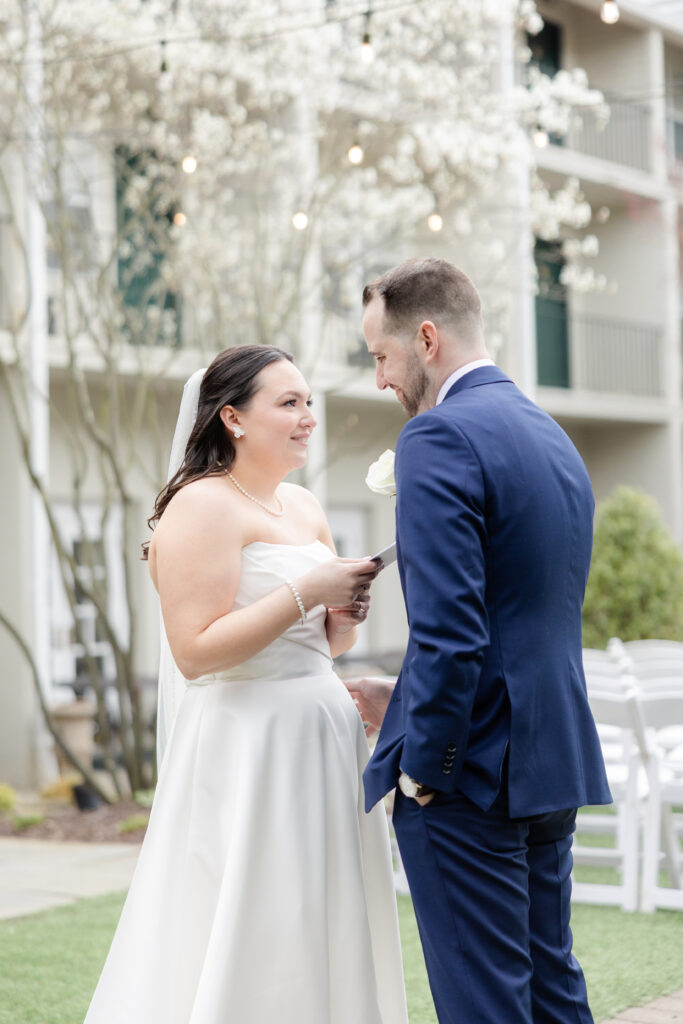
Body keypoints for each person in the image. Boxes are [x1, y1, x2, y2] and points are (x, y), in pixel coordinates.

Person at [83, 344, 409, 1024]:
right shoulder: (199, 509)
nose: (306, 418)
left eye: (308, 402)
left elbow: (323, 643)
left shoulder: (304, 506)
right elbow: (195, 653)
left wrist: (342, 613)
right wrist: (306, 589)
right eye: (287, 403)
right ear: (231, 418)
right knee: (264, 911)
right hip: (248, 743)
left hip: (321, 734)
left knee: (324, 909)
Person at [347, 258, 611, 1024]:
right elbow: (521, 613)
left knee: (483, 1004)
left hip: (469, 778)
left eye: (380, 356)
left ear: (424, 338)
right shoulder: (549, 434)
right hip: (547, 758)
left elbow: (453, 632)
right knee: (551, 987)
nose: (379, 380)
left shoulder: (437, 437)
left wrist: (426, 766)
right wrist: (403, 699)